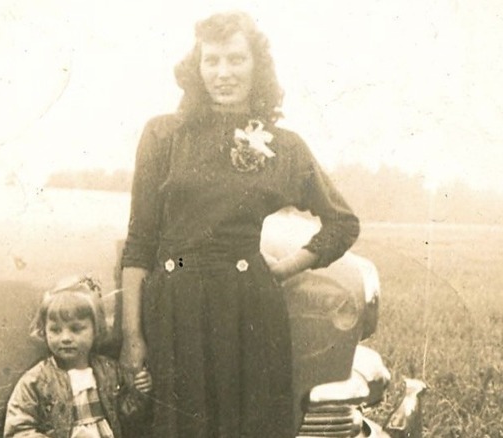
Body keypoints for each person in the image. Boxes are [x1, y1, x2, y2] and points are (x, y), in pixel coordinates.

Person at [119, 11, 360, 438]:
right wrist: (133, 337)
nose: (222, 73)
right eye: (211, 61)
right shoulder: (163, 134)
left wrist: (285, 268)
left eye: (235, 59)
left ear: (257, 66)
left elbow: (342, 223)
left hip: (248, 312)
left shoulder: (283, 146)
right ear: (197, 66)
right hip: (175, 308)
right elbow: (139, 245)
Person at [4, 277, 152, 438]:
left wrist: (139, 393)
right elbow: (19, 428)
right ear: (44, 331)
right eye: (55, 330)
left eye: (76, 329)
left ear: (96, 330)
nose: (65, 338)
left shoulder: (110, 370)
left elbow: (128, 417)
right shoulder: (36, 380)